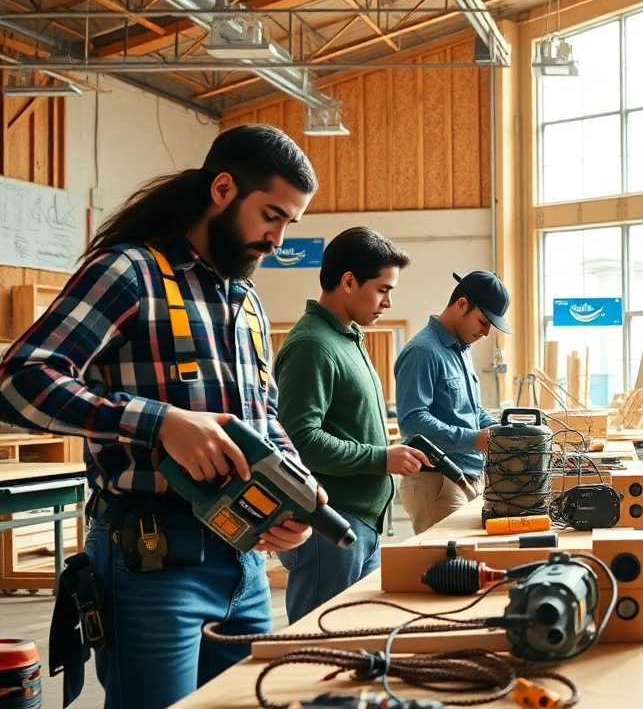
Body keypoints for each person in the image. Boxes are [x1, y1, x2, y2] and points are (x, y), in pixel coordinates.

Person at [0, 124, 324, 709]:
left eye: (288, 224)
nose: (278, 239)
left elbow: (264, 416)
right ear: (223, 189)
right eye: (270, 215)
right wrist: (158, 421)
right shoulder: (129, 273)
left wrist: (293, 490)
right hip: (152, 560)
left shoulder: (244, 300)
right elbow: (21, 382)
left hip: (244, 564)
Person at [272, 227, 430, 623]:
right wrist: (381, 458)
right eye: (382, 289)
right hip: (330, 523)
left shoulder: (346, 337)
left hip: (359, 523)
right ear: (348, 281)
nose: (388, 303)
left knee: (352, 636)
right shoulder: (313, 344)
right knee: (319, 643)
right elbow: (300, 442)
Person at [394, 270, 510, 533]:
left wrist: (501, 433)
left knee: (464, 568)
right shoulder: (423, 351)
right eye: (482, 321)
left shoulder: (461, 350)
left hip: (466, 477)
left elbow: (473, 411)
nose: (485, 331)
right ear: (461, 304)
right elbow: (412, 422)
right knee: (447, 570)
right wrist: (473, 439)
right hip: (437, 481)